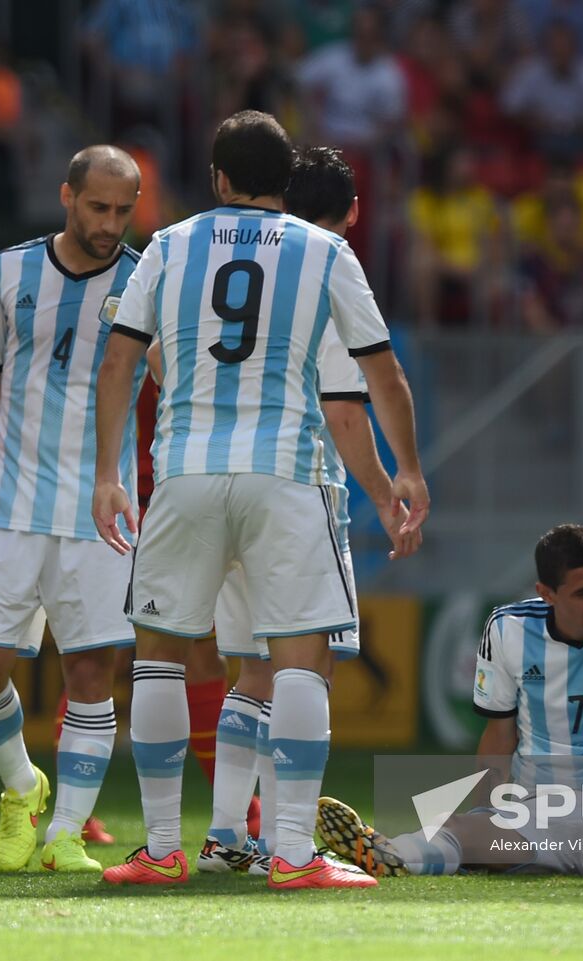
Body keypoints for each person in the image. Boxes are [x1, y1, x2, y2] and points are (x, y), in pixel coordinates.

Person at [91, 110, 428, 890]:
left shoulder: (169, 245)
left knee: (160, 656)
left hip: (183, 467)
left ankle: (163, 848)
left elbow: (120, 364)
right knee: (301, 660)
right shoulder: (326, 249)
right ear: (286, 183)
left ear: (216, 179)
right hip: (286, 470)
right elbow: (383, 374)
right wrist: (406, 468)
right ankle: (295, 855)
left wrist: (111, 473)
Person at [194, 146, 420, 876]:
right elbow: (347, 409)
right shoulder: (328, 269)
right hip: (294, 483)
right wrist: (390, 492)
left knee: (250, 672)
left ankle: (228, 834)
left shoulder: (244, 266)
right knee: (302, 667)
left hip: (213, 479)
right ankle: (291, 848)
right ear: (354, 211)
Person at [317, 524, 583, 882]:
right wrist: (487, 816)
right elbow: (499, 736)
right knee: (452, 829)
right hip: (537, 814)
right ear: (546, 593)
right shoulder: (507, 629)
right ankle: (388, 853)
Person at [0, 145, 145, 874]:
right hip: (11, 496)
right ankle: (22, 785)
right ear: (67, 195)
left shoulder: (144, 277)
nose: (111, 223)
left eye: (124, 210)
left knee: (92, 672)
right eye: (98, 207)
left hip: (102, 507)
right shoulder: (11, 270)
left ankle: (66, 831)